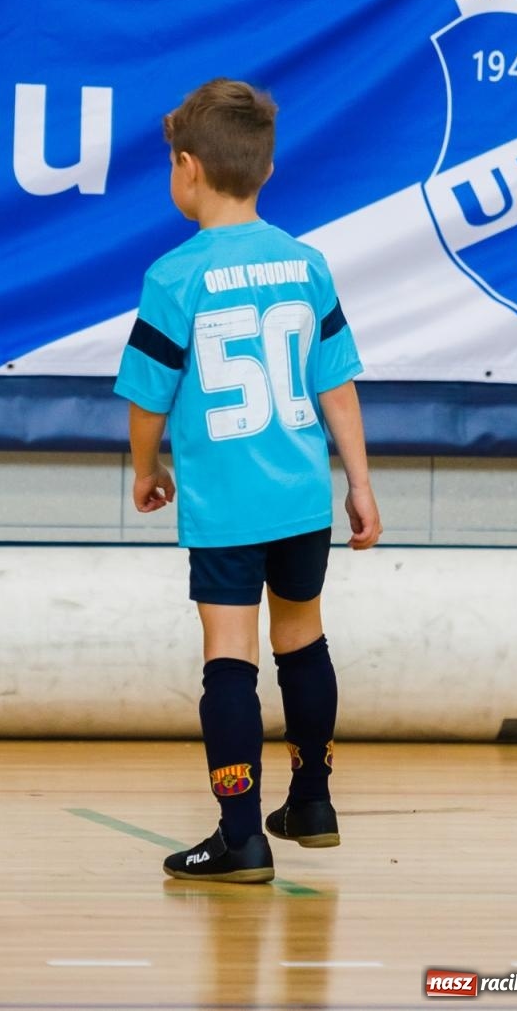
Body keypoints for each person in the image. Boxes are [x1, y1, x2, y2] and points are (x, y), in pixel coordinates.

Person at [113, 78, 382, 883]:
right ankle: (313, 798)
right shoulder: (306, 263)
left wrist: (145, 468)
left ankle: (240, 835)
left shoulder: (174, 275)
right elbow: (338, 383)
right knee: (302, 638)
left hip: (227, 505)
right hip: (301, 499)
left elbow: (146, 395)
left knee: (229, 658)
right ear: (264, 173)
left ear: (188, 169)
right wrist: (360, 484)